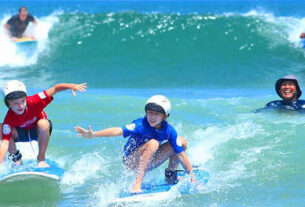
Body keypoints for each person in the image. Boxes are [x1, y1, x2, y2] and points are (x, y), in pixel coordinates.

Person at [75, 95, 196, 193]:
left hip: (150, 160)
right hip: (131, 162)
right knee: (153, 143)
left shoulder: (169, 130)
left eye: (157, 114)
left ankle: (170, 176)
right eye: (149, 112)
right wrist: (94, 134)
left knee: (181, 142)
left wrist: (192, 176)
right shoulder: (140, 125)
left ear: (166, 116)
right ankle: (137, 184)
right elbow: (117, 130)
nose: (152, 117)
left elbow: (180, 154)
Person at [0, 80, 87, 168]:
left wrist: (71, 86)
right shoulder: (9, 118)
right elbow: (4, 143)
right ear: (8, 104)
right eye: (16, 103)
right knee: (1, 128)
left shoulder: (35, 100)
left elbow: (55, 88)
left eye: (23, 101)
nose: (21, 106)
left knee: (43, 123)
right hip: (21, 134)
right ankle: (16, 161)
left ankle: (41, 159)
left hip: (40, 132)